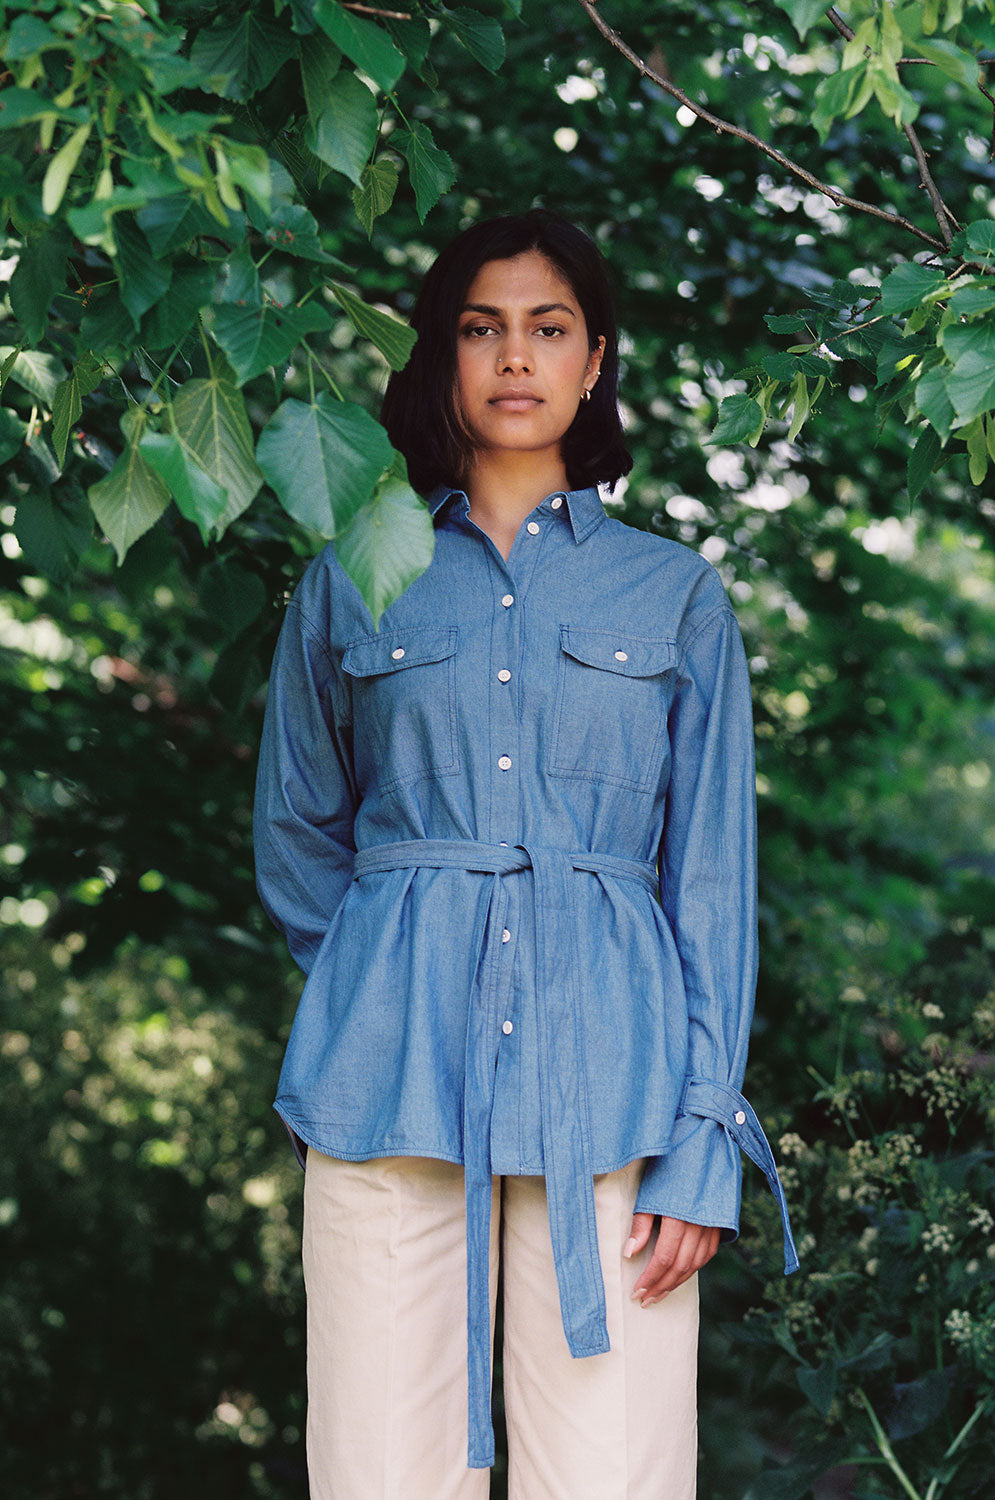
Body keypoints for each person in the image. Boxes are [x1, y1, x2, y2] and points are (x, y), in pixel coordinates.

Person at [252, 208, 799, 1500]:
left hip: (614, 1094)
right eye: (481, 328)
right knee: (380, 1479)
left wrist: (699, 1138)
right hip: (387, 1092)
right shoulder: (354, 578)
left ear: (595, 359)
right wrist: (396, 971)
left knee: (614, 1480)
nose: (514, 358)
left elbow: (709, 889)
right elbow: (298, 836)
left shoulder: (675, 597)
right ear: (442, 354)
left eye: (548, 330)